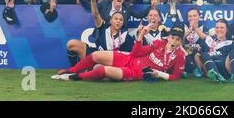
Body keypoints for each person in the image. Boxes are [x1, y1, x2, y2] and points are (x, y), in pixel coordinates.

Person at [52, 23, 186, 82]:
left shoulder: (180, 55)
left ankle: (75, 77)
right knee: (96, 56)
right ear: (168, 36)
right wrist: (140, 36)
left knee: (102, 70)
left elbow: (175, 77)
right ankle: (71, 70)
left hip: (136, 73)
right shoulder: (159, 43)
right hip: (130, 59)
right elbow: (136, 52)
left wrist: (159, 74)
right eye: (172, 37)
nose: (173, 41)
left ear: (181, 41)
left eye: (177, 39)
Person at [66, 0, 134, 66]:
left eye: (121, 20)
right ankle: (74, 69)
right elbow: (95, 15)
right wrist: (93, 0)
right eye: (116, 19)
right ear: (110, 21)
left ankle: (89, 70)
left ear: (123, 23)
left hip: (111, 64)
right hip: (96, 56)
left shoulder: (126, 37)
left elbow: (130, 57)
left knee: (98, 67)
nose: (118, 21)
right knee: (71, 43)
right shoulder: (103, 28)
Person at [195, 19, 234, 83]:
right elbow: (197, 56)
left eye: (222, 28)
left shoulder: (231, 43)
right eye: (217, 28)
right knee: (203, 54)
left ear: (226, 29)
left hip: (225, 67)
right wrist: (201, 69)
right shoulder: (209, 40)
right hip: (210, 67)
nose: (219, 30)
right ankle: (216, 74)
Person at [82, 0, 151, 28]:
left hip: (120, 37)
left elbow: (140, 15)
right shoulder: (104, 4)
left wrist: (152, 6)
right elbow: (89, 6)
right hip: (103, 35)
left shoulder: (126, 6)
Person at [183, 8, 208, 78]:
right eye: (190, 16)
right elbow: (178, 39)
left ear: (199, 17)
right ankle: (182, 70)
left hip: (197, 53)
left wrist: (196, 29)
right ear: (187, 18)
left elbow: (207, 40)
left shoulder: (204, 27)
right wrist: (189, 30)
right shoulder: (183, 26)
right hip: (185, 53)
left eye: (194, 15)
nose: (192, 18)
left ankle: (199, 69)